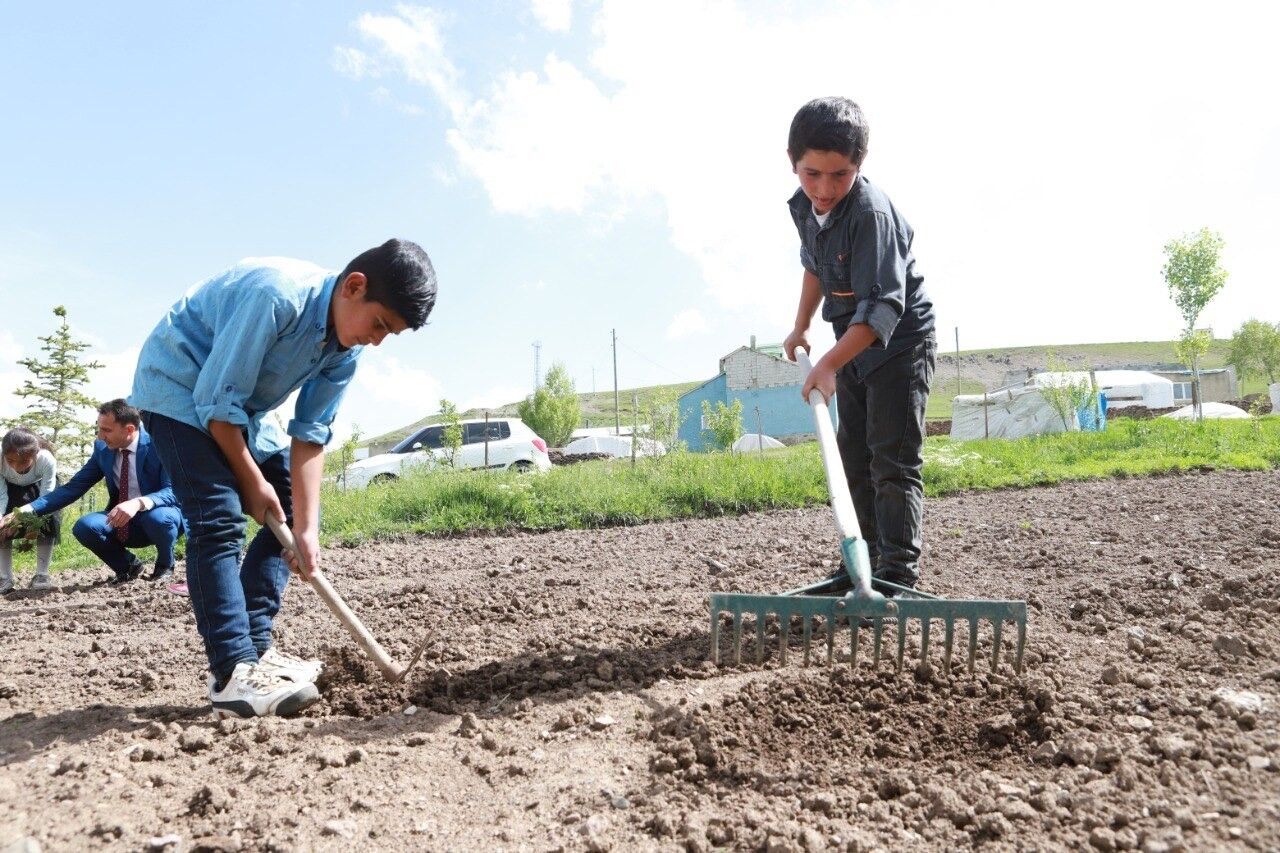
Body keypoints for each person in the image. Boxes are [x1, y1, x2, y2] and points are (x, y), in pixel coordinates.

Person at [130, 240, 436, 719]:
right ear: (354, 287)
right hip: (179, 387)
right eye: (379, 323)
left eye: (390, 334)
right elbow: (214, 398)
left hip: (243, 410)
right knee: (218, 518)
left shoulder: (346, 350)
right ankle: (232, 672)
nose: (378, 340)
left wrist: (307, 530)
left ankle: (257, 648)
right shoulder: (276, 296)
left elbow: (310, 438)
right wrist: (251, 480)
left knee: (290, 514)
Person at [781, 97, 937, 594]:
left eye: (840, 175)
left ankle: (895, 574)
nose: (824, 189)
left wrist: (827, 362)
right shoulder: (807, 207)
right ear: (793, 162)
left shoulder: (871, 215)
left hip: (898, 344)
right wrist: (802, 324)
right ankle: (860, 566)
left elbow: (882, 309)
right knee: (853, 457)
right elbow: (814, 265)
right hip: (848, 341)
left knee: (890, 458)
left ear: (859, 166)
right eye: (812, 174)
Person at [2, 400, 185, 585]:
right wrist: (25, 511)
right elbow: (73, 488)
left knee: (160, 518)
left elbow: (174, 491)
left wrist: (137, 503)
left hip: (159, 516)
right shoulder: (102, 449)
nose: (100, 436)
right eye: (99, 428)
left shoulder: (160, 443)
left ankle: (164, 566)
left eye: (107, 430)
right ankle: (128, 567)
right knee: (85, 526)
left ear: (129, 430)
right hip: (120, 519)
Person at [0, 428, 60, 593]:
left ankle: (42, 574)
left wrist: (35, 523)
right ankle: (4, 577)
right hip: (9, 489)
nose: (17, 467)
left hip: (40, 490)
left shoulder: (46, 459)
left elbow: (46, 499)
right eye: (10, 461)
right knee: (3, 527)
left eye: (24, 461)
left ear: (34, 455)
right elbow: (1, 495)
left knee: (48, 522)